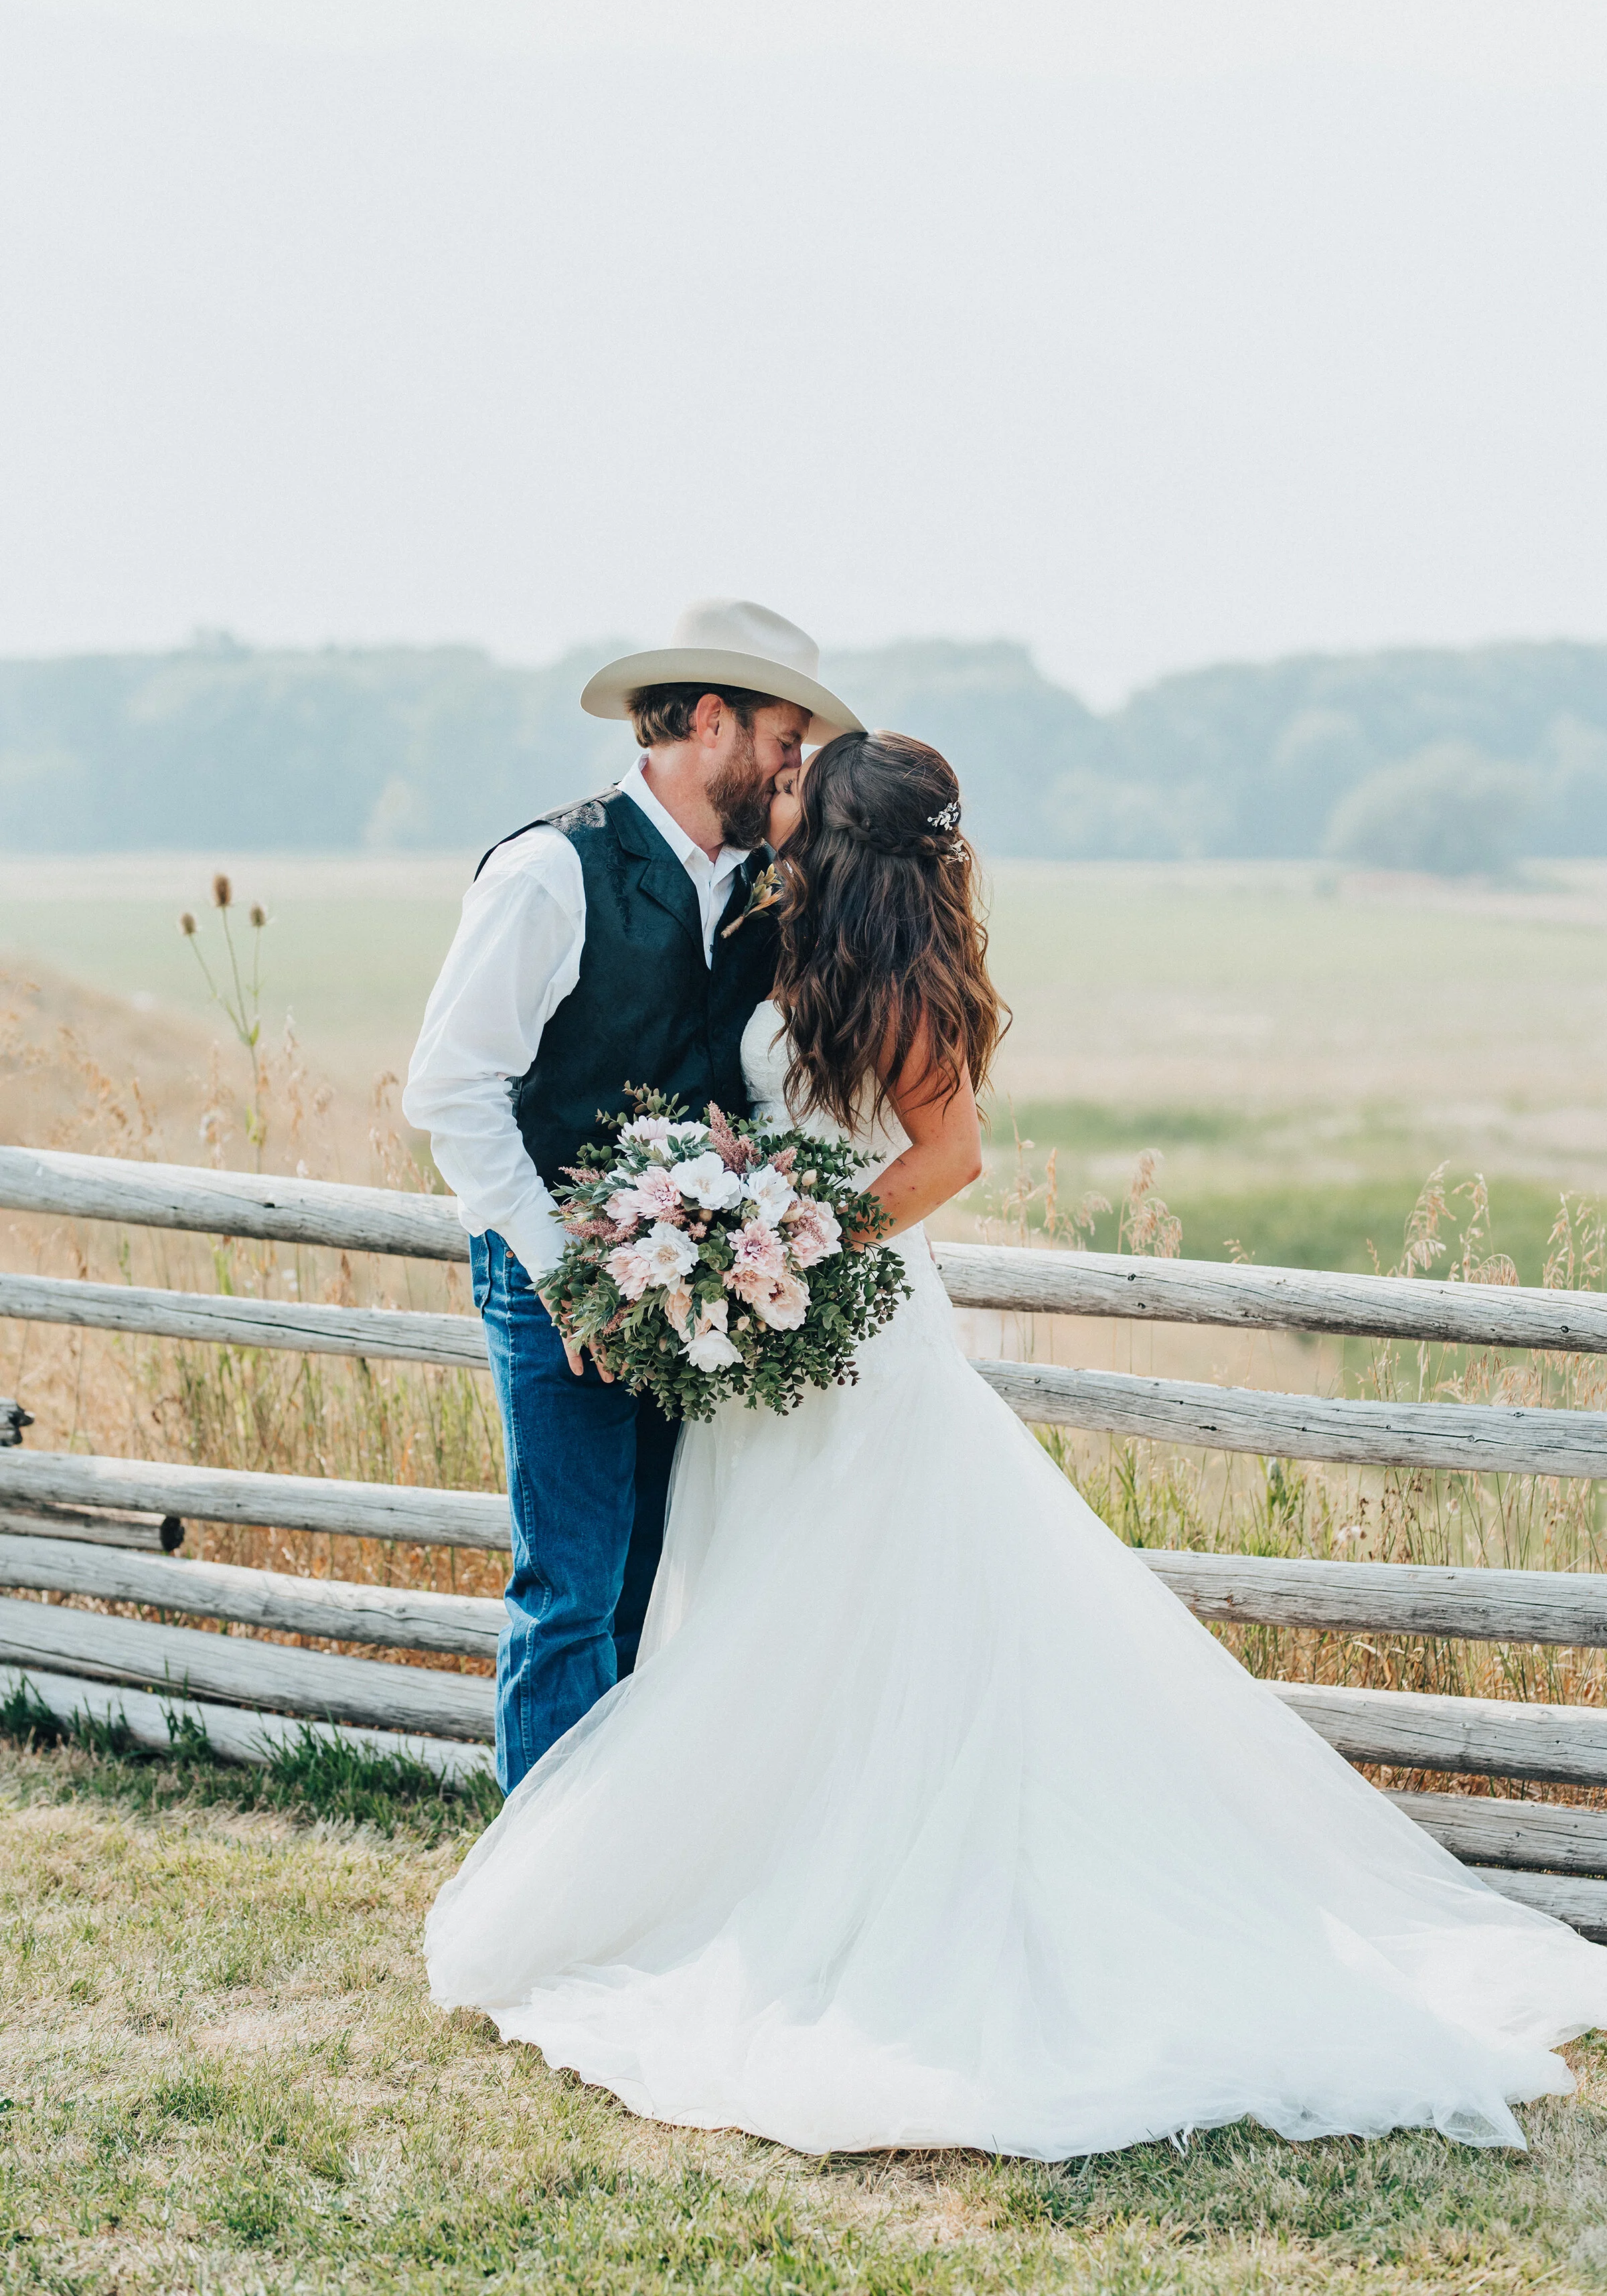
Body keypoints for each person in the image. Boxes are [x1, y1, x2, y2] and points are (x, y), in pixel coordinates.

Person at [425, 729, 1607, 2161]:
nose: (777, 789)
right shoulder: (776, 934)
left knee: (875, 1606)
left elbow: (949, 1159)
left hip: (847, 1336)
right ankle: (744, 1873)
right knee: (766, 1615)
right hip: (775, 1348)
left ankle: (881, 1895)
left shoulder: (894, 978)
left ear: (842, 835)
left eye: (800, 784)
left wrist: (787, 1241)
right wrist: (744, 1235)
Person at [403, 598, 864, 1791]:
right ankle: (536, 1907)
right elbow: (450, 1089)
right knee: (570, 1586)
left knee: (653, 1581)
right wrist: (567, 1273)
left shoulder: (770, 882)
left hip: (699, 1293)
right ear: (711, 720)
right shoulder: (554, 870)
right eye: (782, 734)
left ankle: (605, 1875)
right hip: (547, 1272)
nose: (792, 762)